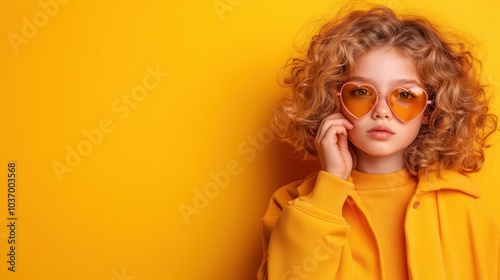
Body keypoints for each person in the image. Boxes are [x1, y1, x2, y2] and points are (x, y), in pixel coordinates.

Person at [257, 5, 499, 280]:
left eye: (405, 95)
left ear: (431, 109)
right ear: (332, 100)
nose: (381, 110)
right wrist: (330, 186)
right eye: (361, 91)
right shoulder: (294, 204)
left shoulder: (465, 211)